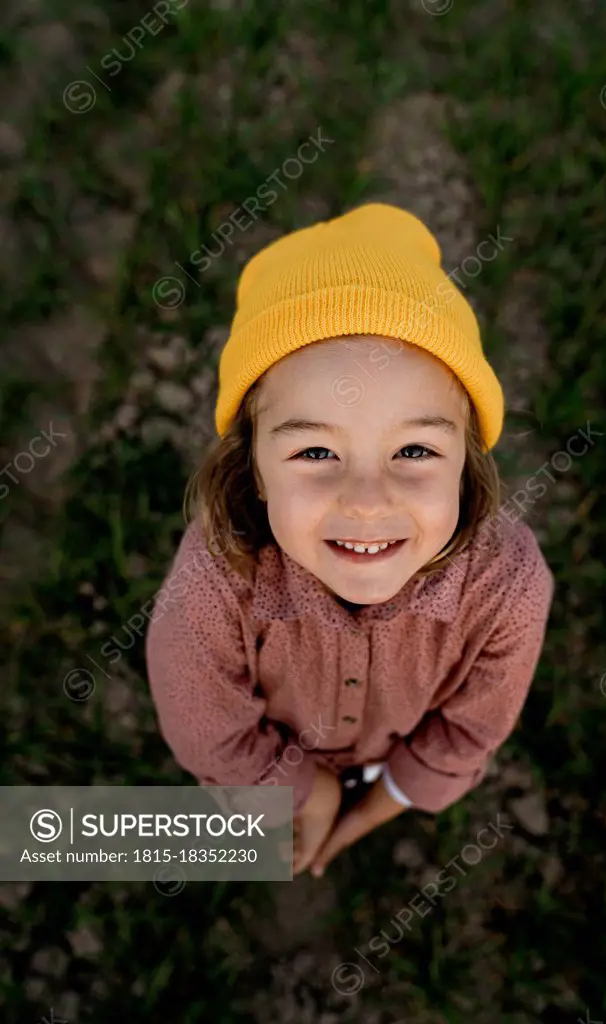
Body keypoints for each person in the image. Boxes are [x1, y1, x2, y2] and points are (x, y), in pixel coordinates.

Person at [144, 202, 554, 878]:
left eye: (415, 449)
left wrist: (379, 803)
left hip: (390, 763)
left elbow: (472, 728)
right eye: (315, 453)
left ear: (467, 461)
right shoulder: (216, 580)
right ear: (253, 471)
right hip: (267, 762)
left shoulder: (507, 585)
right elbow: (207, 727)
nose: (367, 501)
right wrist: (303, 788)